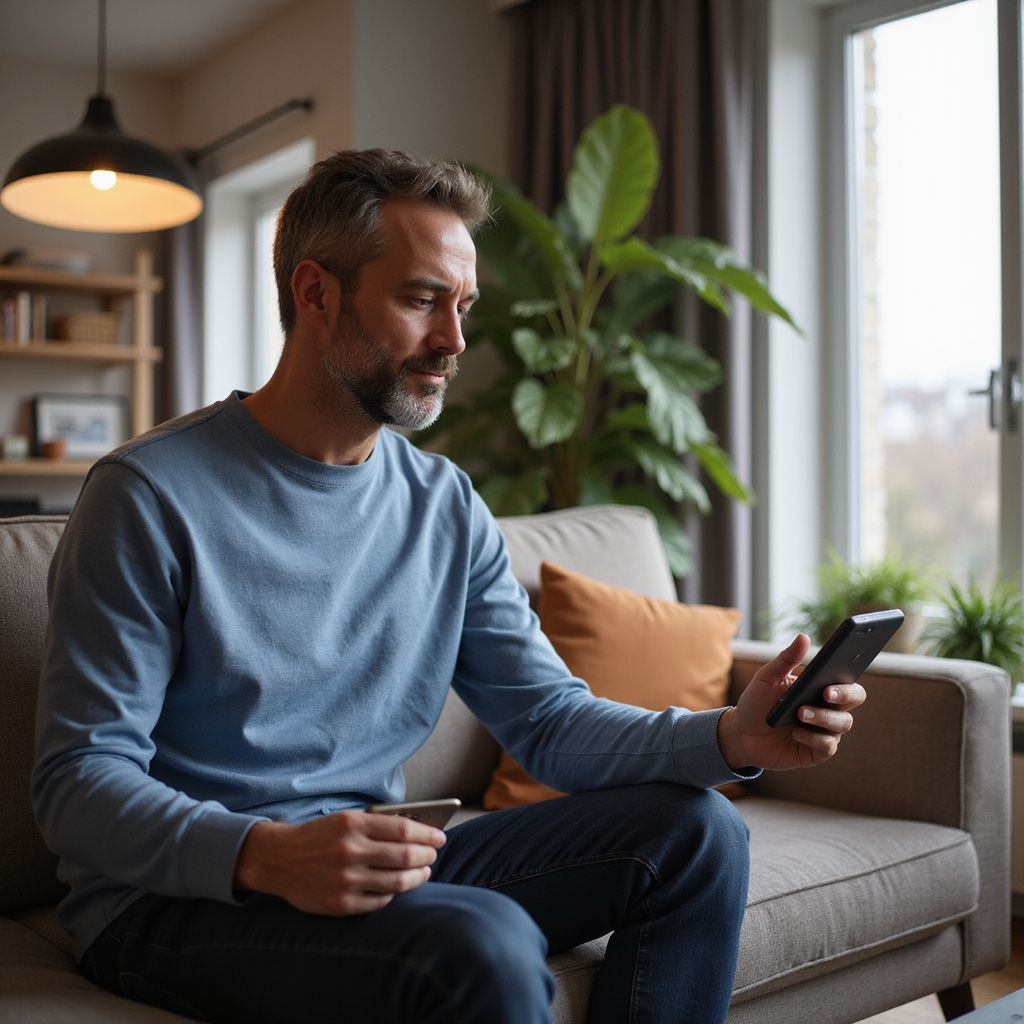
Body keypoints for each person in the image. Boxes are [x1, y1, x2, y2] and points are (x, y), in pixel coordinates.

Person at [33, 148, 864, 1024]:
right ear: (316, 294)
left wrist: (732, 736)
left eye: (462, 306)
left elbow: (547, 721)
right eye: (421, 299)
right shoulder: (149, 494)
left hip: (377, 862)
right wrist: (267, 854)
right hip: (176, 904)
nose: (455, 342)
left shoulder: (441, 503)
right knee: (481, 942)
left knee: (697, 835)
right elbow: (78, 779)